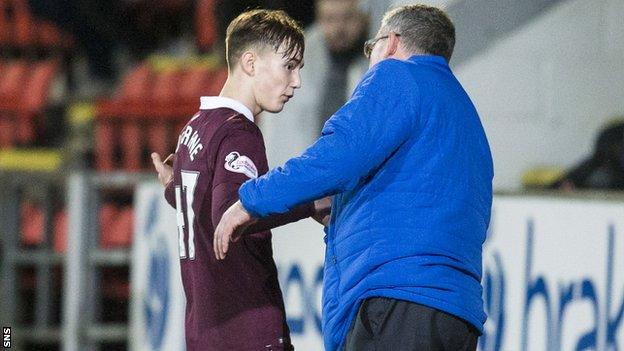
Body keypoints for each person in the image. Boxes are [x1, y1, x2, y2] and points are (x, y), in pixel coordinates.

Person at [214, 4, 493, 351]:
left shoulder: (397, 75)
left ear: (389, 43)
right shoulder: (464, 112)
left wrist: (252, 198)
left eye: (372, 46)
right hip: (456, 315)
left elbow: (339, 153)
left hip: (397, 301)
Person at [151, 9, 329, 350]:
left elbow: (201, 201)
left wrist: (175, 188)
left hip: (204, 331)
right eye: (289, 66)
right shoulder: (238, 133)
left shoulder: (195, 126)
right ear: (250, 63)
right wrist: (311, 202)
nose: (297, 82)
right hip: (247, 326)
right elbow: (231, 213)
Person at [260, 0, 369, 167]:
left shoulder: (380, 59)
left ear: (363, 19)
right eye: (330, 19)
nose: (339, 29)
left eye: (348, 18)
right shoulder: (295, 57)